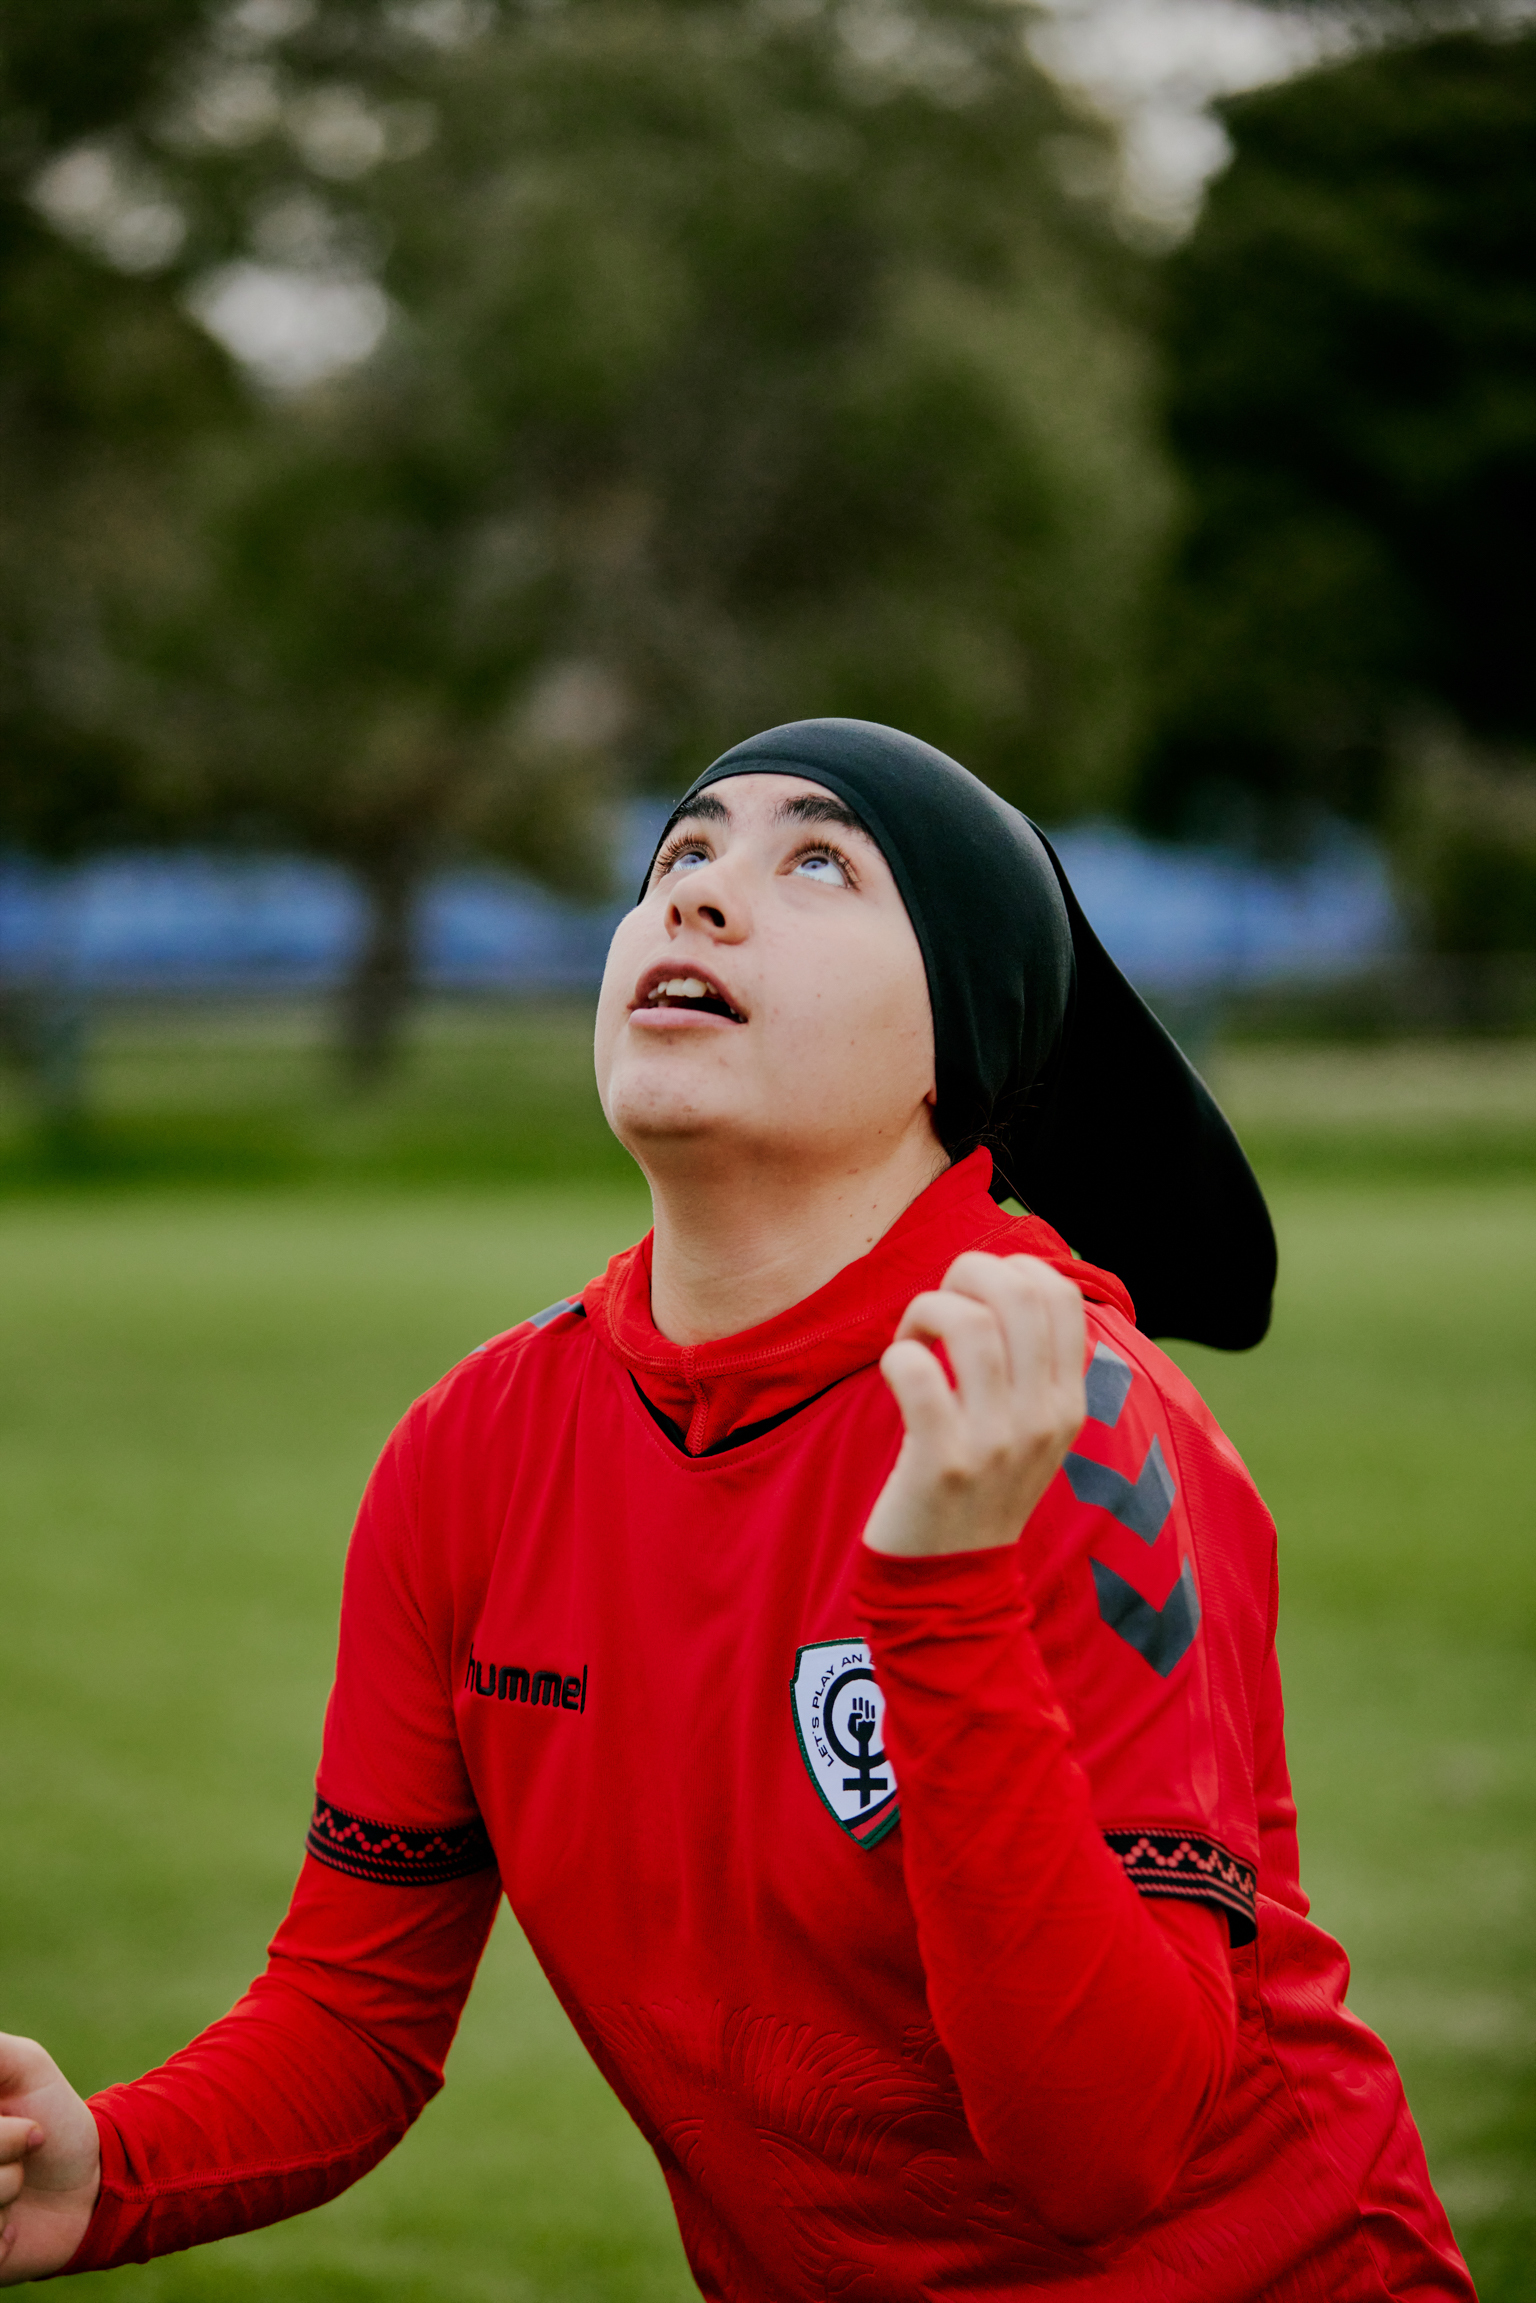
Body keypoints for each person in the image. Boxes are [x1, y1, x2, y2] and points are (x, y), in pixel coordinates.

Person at [0, 720, 1473, 2299]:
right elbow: (355, 2015)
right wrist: (112, 2171)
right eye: (680, 856)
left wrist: (942, 1597)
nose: (696, 900)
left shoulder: (1075, 1419)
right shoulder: (471, 1453)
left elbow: (1101, 2155)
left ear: (954, 1040)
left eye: (820, 863)